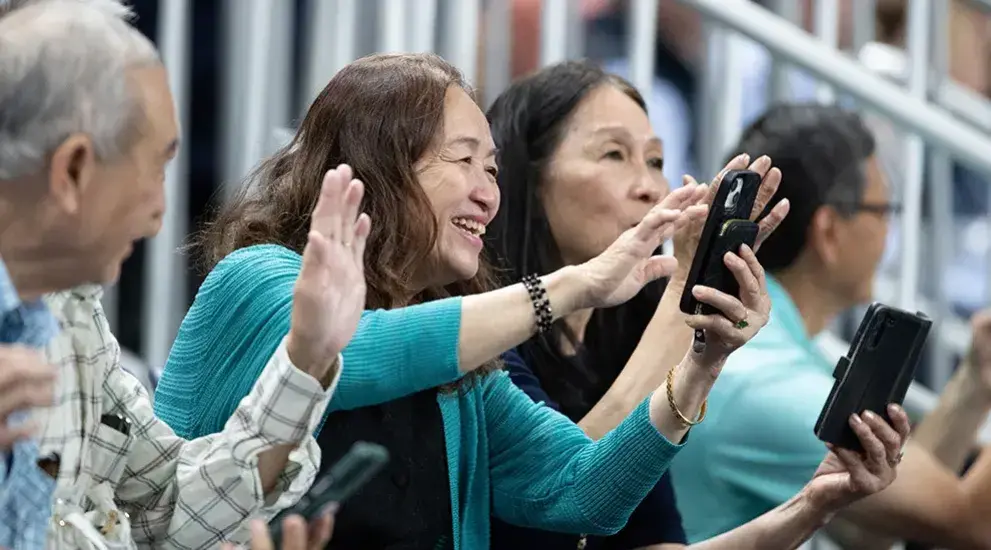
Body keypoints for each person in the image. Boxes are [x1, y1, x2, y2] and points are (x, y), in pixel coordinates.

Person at [154, 52, 907, 549]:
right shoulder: (253, 281)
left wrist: (704, 366)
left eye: (493, 167)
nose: (489, 192)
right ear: (386, 167)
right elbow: (353, 350)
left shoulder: (469, 371)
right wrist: (578, 283)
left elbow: (582, 491)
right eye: (464, 163)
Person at [483, 59, 913, 550]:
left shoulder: (628, 335)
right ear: (527, 177)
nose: (649, 186)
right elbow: (564, 496)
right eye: (613, 154)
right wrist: (684, 296)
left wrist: (813, 504)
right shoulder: (487, 333)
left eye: (656, 160)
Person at [0, 1, 364, 548]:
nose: (159, 212)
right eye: (154, 167)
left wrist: (307, 357)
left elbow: (167, 507)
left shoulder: (69, 312)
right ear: (73, 168)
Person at [668, 103, 991, 549]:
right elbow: (970, 522)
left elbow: (874, 519)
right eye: (883, 211)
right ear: (830, 232)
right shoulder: (768, 382)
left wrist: (977, 384)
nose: (888, 234)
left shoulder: (764, 351)